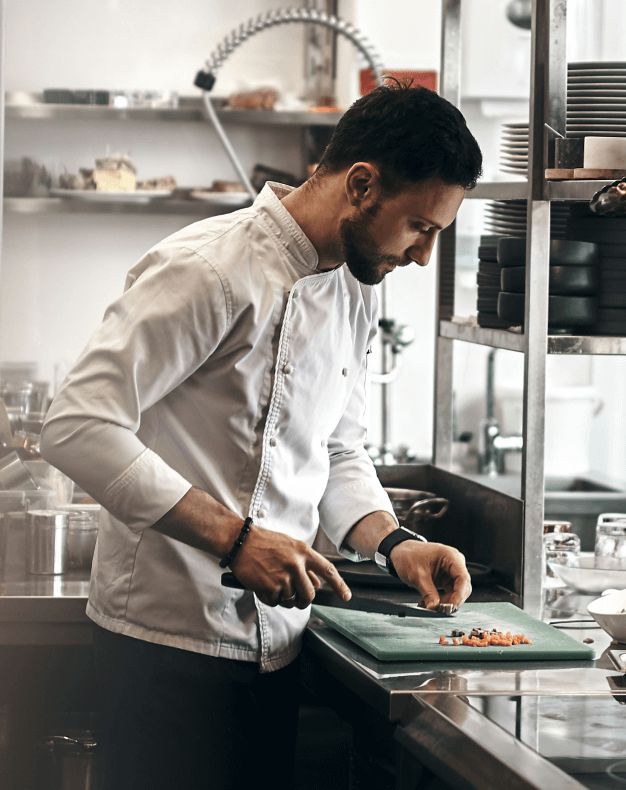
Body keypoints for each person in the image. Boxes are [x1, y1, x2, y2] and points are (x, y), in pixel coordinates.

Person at [40, 81, 482, 790]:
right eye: (420, 228)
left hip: (278, 646)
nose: (425, 255)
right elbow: (77, 424)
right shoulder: (208, 268)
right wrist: (237, 540)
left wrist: (396, 543)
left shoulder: (355, 290)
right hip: (165, 645)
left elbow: (335, 447)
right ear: (361, 185)